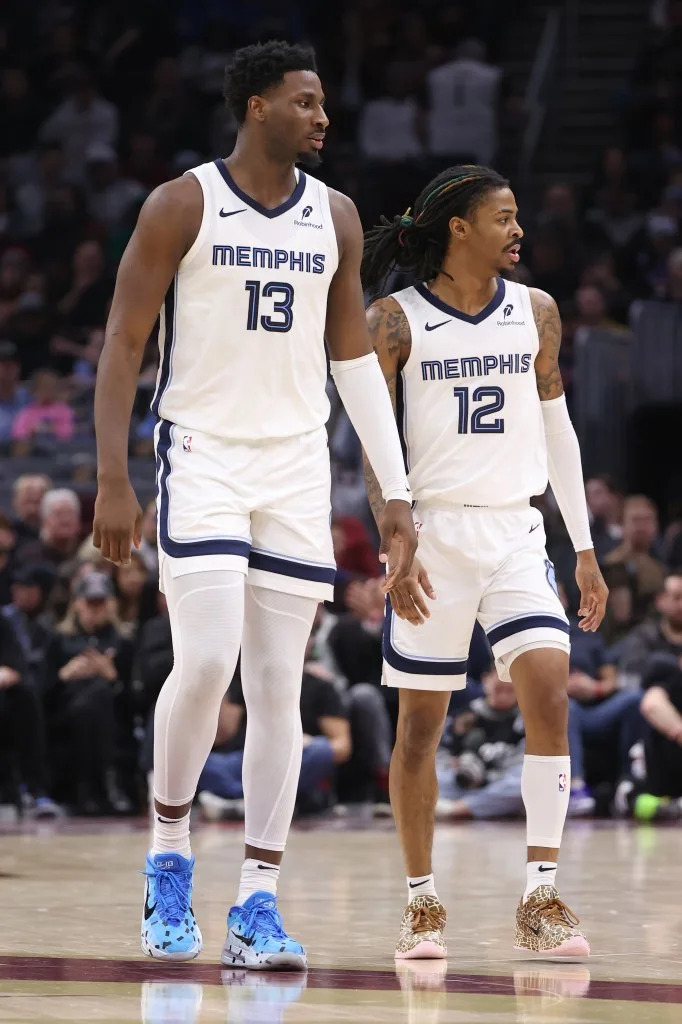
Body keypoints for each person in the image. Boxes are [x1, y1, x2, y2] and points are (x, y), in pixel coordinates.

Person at [92, 41, 417, 969]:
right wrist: (114, 479)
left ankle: (257, 904)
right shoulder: (181, 204)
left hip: (295, 467)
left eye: (322, 103)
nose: (322, 116)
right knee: (204, 663)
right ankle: (166, 859)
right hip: (201, 456)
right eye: (305, 102)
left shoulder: (337, 217)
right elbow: (122, 345)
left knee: (280, 686)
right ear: (257, 106)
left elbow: (353, 356)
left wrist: (392, 492)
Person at [361, 164, 609, 959]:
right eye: (503, 217)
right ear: (459, 227)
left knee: (547, 685)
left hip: (515, 532)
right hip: (434, 536)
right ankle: (421, 902)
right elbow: (373, 442)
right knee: (420, 732)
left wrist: (586, 548)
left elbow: (559, 430)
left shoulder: (536, 311)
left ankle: (541, 894)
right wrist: (394, 537)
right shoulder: (393, 320)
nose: (518, 231)